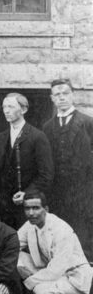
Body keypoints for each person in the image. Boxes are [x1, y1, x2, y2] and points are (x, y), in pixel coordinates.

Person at [16, 191, 93, 294]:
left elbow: (55, 271)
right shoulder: (30, 224)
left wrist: (28, 282)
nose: (31, 213)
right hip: (52, 272)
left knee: (41, 292)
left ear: (46, 209)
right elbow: (13, 245)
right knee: (16, 257)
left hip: (73, 277)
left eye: (35, 208)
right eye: (27, 208)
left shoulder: (61, 229)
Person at [0, 93, 54, 229]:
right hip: (3, 205)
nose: (6, 110)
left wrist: (27, 193)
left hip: (26, 205)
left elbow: (46, 174)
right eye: (4, 106)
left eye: (10, 106)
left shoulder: (37, 137)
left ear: (23, 110)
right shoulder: (0, 138)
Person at [41, 78, 93, 258]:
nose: (61, 97)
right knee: (59, 231)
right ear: (52, 98)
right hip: (57, 191)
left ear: (72, 95)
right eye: (57, 94)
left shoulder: (88, 123)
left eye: (65, 93)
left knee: (83, 230)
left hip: (83, 190)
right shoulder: (47, 127)